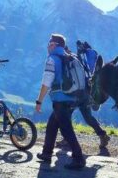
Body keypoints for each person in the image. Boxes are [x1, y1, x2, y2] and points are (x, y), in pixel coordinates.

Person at [35, 34, 85, 170]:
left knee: (66, 129)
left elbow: (46, 82)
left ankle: (79, 158)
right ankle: (46, 153)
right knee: (52, 125)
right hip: (72, 98)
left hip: (60, 100)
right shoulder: (68, 57)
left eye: (49, 44)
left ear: (54, 45)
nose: (47, 46)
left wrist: (39, 101)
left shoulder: (52, 59)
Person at [56, 40, 110, 150]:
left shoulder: (67, 60)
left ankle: (67, 139)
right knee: (88, 117)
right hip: (85, 93)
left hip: (75, 95)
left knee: (65, 115)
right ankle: (103, 135)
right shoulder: (77, 58)